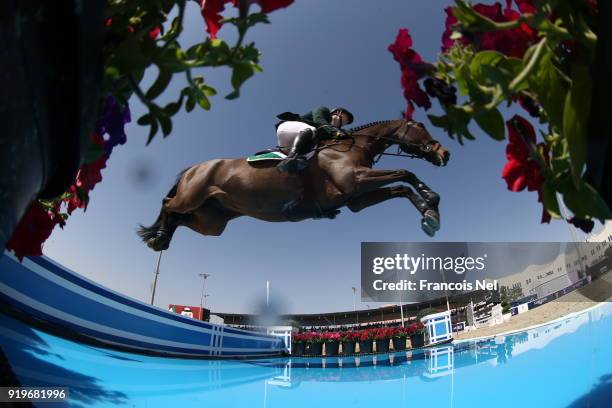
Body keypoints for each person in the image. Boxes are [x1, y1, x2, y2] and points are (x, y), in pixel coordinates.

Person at [275, 106, 354, 173]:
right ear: (338, 112)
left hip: (298, 143)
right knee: (311, 129)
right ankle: (291, 158)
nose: (345, 122)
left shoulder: (329, 130)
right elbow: (319, 120)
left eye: (346, 122)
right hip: (289, 128)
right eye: (345, 118)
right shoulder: (323, 110)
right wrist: (336, 131)